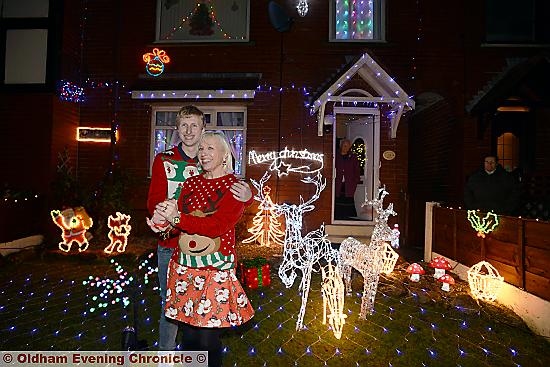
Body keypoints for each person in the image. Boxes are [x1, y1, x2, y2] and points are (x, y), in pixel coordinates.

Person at [146, 105, 252, 352]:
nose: (189, 131)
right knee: (176, 313)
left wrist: (248, 196)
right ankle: (167, 355)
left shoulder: (227, 177)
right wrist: (161, 221)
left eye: (195, 125)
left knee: (206, 327)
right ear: (176, 129)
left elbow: (220, 220)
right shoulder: (173, 166)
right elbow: (159, 204)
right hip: (176, 253)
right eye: (184, 125)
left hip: (212, 262)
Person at [334, 138, 360, 219]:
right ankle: (338, 216)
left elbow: (356, 170)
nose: (346, 148)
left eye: (348, 146)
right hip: (338, 182)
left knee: (348, 198)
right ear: (341, 146)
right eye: (345, 146)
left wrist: (355, 181)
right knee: (338, 198)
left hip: (349, 183)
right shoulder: (336, 156)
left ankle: (348, 216)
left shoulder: (353, 157)